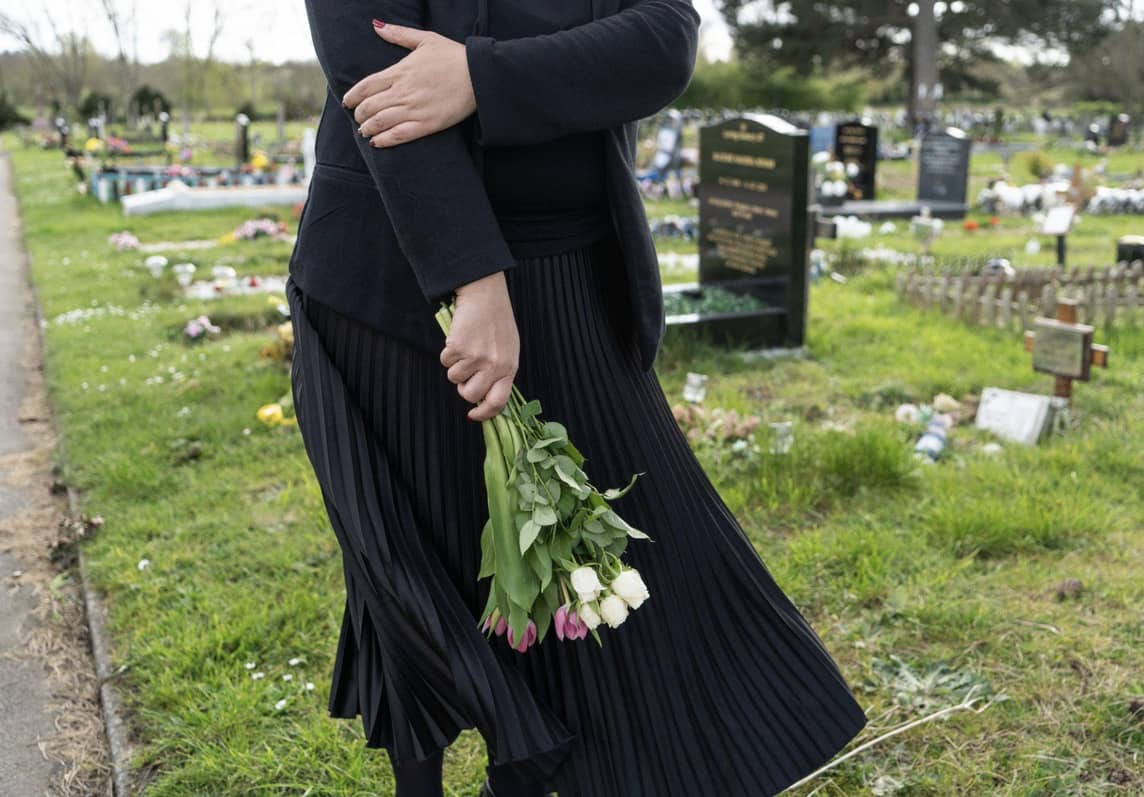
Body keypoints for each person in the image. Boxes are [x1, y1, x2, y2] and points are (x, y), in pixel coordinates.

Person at [288, 1, 870, 795]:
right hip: (386, 267)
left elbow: (664, 38)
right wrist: (474, 278)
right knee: (414, 560)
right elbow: (376, 72)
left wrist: (479, 77)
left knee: (617, 568)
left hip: (572, 259)